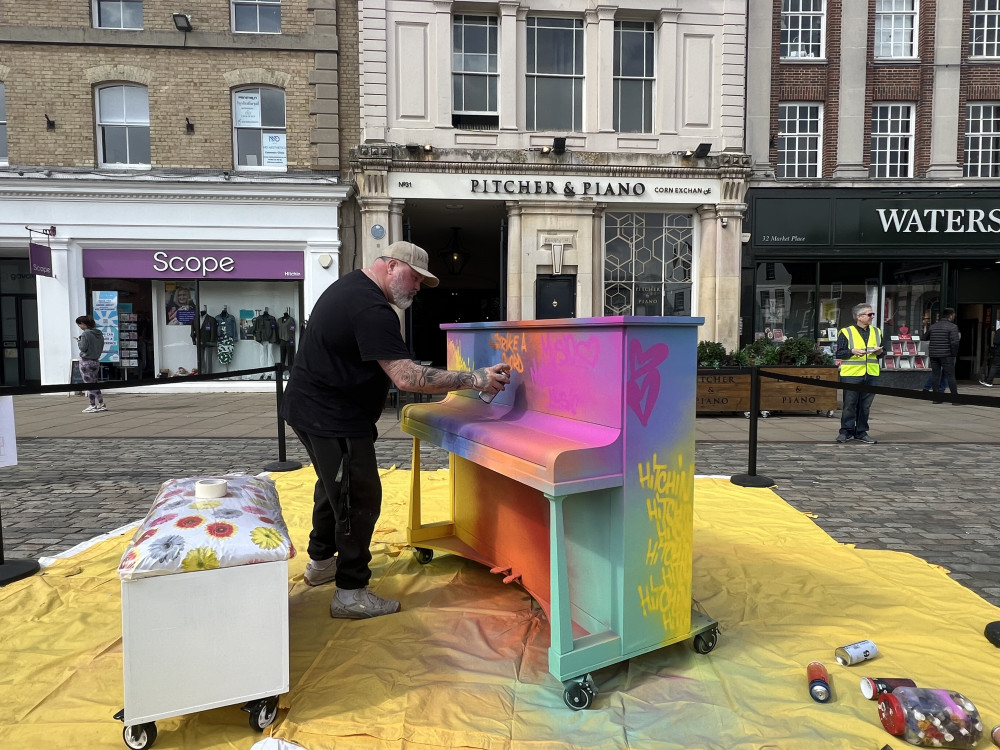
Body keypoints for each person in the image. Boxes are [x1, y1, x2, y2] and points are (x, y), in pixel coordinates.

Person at [280, 241, 511, 620]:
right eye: (415, 278)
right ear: (390, 266)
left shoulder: (351, 287)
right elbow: (405, 377)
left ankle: (321, 562)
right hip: (333, 416)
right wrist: (475, 378)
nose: (418, 288)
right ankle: (350, 593)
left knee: (332, 485)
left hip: (312, 409)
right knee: (360, 498)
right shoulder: (371, 307)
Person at [835, 303, 883, 444]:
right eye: (869, 314)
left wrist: (880, 352)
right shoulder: (846, 332)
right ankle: (845, 431)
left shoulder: (876, 331)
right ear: (859, 317)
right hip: (852, 374)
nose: (872, 317)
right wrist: (852, 351)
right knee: (850, 404)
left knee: (865, 406)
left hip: (871, 374)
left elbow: (882, 352)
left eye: (872, 314)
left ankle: (861, 432)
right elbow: (839, 353)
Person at [928, 308, 961, 403]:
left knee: (936, 375)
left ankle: (936, 399)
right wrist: (953, 354)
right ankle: (955, 400)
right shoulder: (953, 327)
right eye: (953, 315)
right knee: (950, 376)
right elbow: (955, 343)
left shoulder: (933, 326)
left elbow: (925, 337)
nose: (954, 317)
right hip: (947, 355)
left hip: (934, 355)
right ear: (951, 316)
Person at [75, 315, 107, 413]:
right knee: (94, 383)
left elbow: (83, 348)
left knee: (89, 385)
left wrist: (79, 341)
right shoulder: (98, 333)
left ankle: (92, 405)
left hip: (86, 361)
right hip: (95, 361)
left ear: (84, 324)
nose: (79, 326)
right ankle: (101, 404)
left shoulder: (85, 334)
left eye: (79, 324)